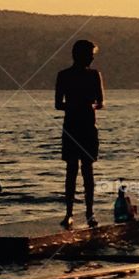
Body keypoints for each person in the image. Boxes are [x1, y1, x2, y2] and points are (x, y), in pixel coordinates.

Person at [55, 40, 104, 229]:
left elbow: (100, 102)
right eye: (90, 54)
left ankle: (89, 213)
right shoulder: (64, 76)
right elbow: (58, 104)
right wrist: (75, 105)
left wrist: (89, 106)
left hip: (88, 126)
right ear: (80, 55)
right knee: (71, 170)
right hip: (72, 126)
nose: (92, 58)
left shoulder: (94, 75)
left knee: (88, 170)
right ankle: (69, 213)